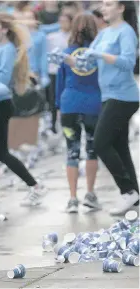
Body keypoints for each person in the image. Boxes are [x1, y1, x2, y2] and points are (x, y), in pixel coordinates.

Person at [0, 13, 46, 208]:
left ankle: (35, 186)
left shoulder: (7, 50)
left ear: (4, 29)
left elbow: (2, 79)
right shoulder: (0, 49)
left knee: (0, 152)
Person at [71, 0, 139, 215]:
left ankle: (127, 191)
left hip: (124, 97)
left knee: (100, 143)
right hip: (108, 95)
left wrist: (100, 56)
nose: (103, 8)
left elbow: (128, 63)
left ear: (121, 8)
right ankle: (135, 197)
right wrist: (70, 60)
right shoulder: (104, 33)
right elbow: (88, 64)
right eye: (103, 4)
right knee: (120, 148)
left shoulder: (126, 32)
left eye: (108, 4)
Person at [55, 14, 102, 213]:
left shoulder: (66, 53)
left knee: (72, 151)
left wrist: (57, 107)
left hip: (69, 106)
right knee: (92, 149)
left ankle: (72, 198)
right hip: (93, 106)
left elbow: (59, 83)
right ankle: (90, 195)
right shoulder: (98, 54)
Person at [46, 13, 72, 133]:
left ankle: (67, 123)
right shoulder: (52, 37)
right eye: (61, 21)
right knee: (53, 98)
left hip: (68, 71)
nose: (63, 24)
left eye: (65, 21)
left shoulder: (72, 37)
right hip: (54, 71)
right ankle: (53, 123)